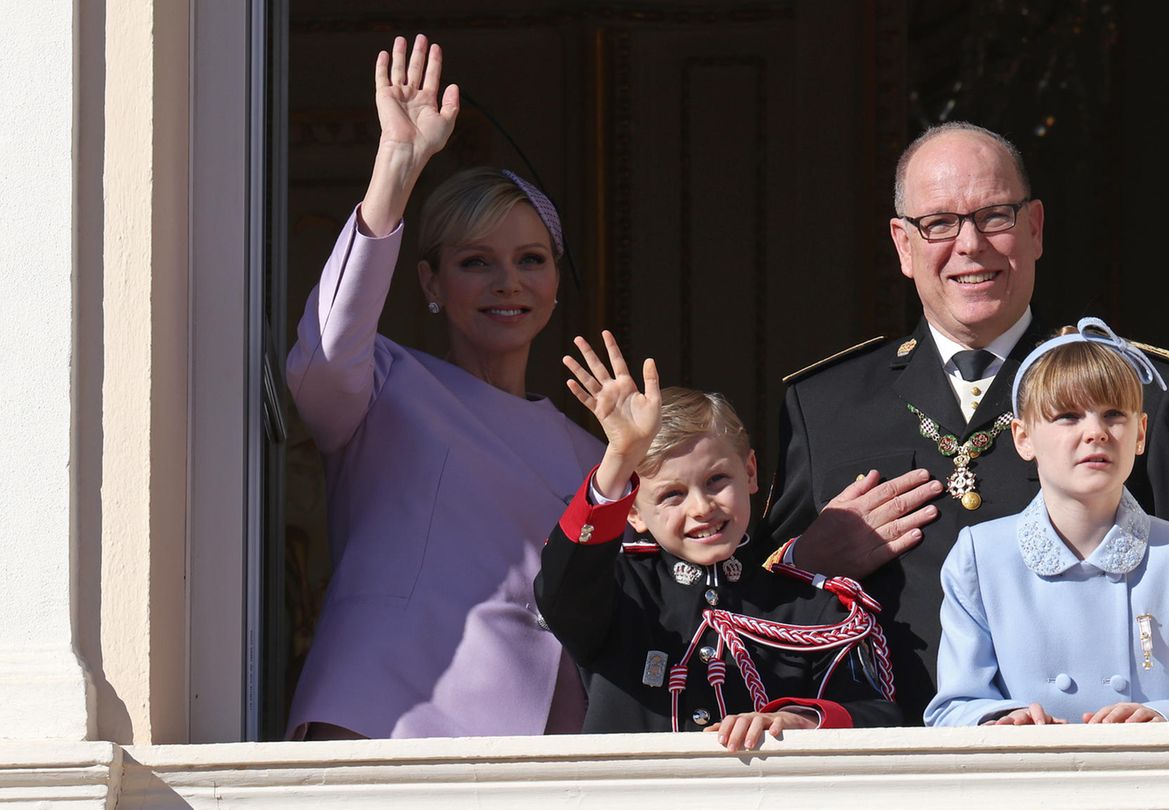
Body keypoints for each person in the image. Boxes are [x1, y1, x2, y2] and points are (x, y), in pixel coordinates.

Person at [762, 122, 1169, 724]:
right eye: (938, 223)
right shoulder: (824, 404)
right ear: (903, 245)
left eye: (995, 216)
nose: (970, 245)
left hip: (1089, 761)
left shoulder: (1140, 387)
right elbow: (742, 608)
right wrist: (807, 559)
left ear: (1036, 227)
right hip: (882, 758)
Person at [284, 35, 602, 739]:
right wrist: (396, 165)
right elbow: (325, 354)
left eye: (530, 260)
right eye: (475, 262)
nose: (507, 282)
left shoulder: (593, 453)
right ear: (431, 282)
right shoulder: (383, 386)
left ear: (555, 283)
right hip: (390, 713)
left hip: (540, 737)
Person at [535, 332, 901, 750]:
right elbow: (560, 590)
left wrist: (797, 719)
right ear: (633, 510)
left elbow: (879, 715)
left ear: (749, 473)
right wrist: (618, 461)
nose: (701, 508)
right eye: (672, 494)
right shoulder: (620, 593)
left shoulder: (811, 607)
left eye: (716, 481)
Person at [924, 319, 1169, 726]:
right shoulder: (981, 556)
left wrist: (1160, 719)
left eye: (1114, 414)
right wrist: (999, 722)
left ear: (1141, 433)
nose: (1095, 433)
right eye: (1067, 416)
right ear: (1023, 437)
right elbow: (953, 707)